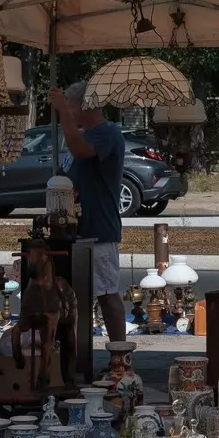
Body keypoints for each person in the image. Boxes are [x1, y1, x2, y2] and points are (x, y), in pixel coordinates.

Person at [49, 81, 128, 351]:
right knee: (72, 296)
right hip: (75, 230)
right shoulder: (80, 135)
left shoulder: (107, 134)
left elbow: (81, 150)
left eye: (71, 104)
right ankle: (74, 353)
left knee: (106, 293)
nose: (68, 110)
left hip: (99, 227)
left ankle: (120, 353)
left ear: (86, 105)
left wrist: (62, 113)